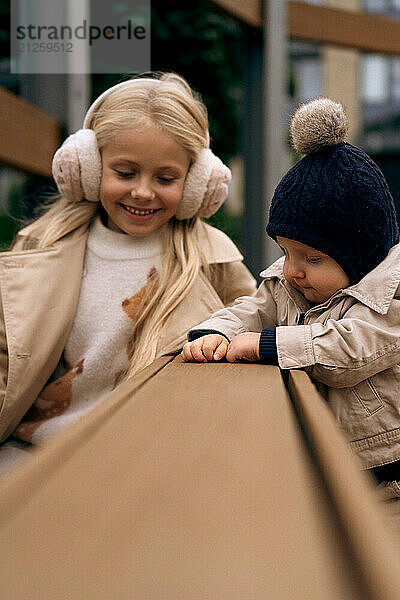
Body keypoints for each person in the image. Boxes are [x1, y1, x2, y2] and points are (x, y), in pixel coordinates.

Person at [0, 72, 256, 472]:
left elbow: (252, 338)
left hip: (149, 458)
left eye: (166, 178)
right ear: (87, 166)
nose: (142, 191)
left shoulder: (213, 263)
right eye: (125, 173)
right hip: (36, 453)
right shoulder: (39, 249)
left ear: (197, 184)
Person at [182, 97, 400, 494]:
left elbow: (347, 351)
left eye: (312, 257)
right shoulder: (293, 283)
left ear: (361, 254)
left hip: (385, 475)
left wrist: (262, 346)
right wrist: (214, 332)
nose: (292, 269)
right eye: (286, 252)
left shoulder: (391, 299)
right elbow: (252, 308)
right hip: (320, 461)